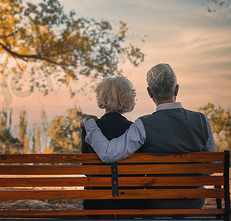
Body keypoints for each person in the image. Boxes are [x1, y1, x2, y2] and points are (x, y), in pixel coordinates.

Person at [82, 63, 216, 209]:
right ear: (177, 89)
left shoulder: (144, 125)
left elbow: (108, 153)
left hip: (159, 202)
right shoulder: (201, 120)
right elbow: (211, 167)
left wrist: (89, 124)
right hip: (194, 201)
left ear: (149, 92)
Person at [81, 76, 147, 210]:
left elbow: (86, 168)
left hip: (96, 202)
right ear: (128, 99)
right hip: (131, 203)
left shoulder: (90, 128)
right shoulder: (134, 130)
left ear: (102, 98)